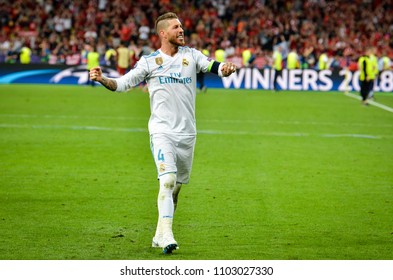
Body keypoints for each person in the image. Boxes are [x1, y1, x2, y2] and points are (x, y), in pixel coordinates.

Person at [89, 12, 237, 254]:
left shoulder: (191, 55)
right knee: (167, 181)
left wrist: (226, 68)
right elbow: (123, 84)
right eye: (176, 27)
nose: (181, 30)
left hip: (187, 134)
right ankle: (168, 235)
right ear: (163, 33)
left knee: (175, 188)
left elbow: (214, 66)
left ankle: (159, 234)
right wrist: (102, 79)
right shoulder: (149, 62)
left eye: (181, 27)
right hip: (162, 131)